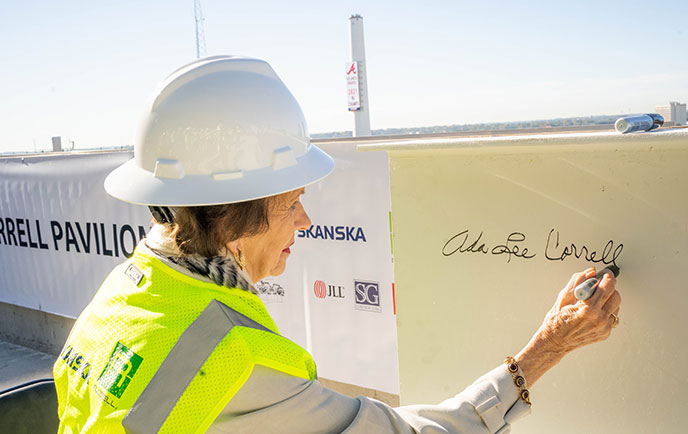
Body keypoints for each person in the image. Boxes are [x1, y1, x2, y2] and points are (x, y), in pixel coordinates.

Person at [53, 55, 622, 434]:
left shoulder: (125, 295)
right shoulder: (235, 361)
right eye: (291, 197)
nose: (304, 219)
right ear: (234, 210)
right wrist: (547, 347)